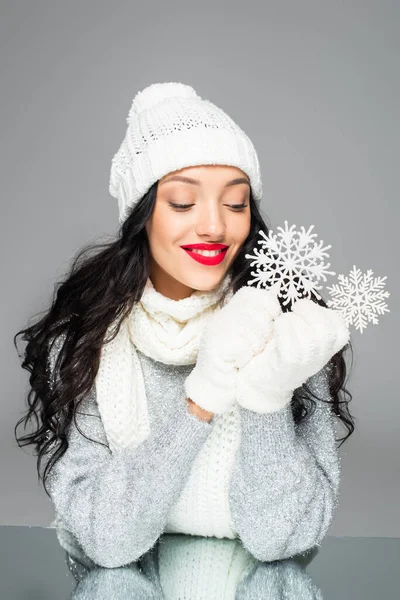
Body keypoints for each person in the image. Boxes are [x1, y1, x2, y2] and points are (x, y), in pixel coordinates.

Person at [14, 82, 355, 570]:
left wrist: (265, 397)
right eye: (182, 203)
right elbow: (106, 539)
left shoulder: (288, 325)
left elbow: (282, 539)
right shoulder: (85, 340)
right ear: (142, 215)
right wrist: (203, 397)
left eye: (236, 204)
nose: (214, 226)